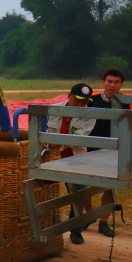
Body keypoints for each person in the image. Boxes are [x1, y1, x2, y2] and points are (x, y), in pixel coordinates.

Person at [45, 83, 95, 245]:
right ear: (69, 96)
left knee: (78, 193)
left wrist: (54, 141)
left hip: (76, 157)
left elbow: (78, 137)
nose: (82, 105)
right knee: (46, 190)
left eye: (85, 102)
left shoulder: (89, 115)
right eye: (79, 100)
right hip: (54, 157)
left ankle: (76, 230)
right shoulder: (54, 110)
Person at [83, 68, 130, 239]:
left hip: (113, 151)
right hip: (90, 148)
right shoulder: (92, 100)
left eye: (116, 82)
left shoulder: (126, 102)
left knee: (109, 186)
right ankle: (89, 215)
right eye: (109, 81)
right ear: (103, 82)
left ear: (121, 84)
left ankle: (104, 221)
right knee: (85, 184)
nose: (112, 85)